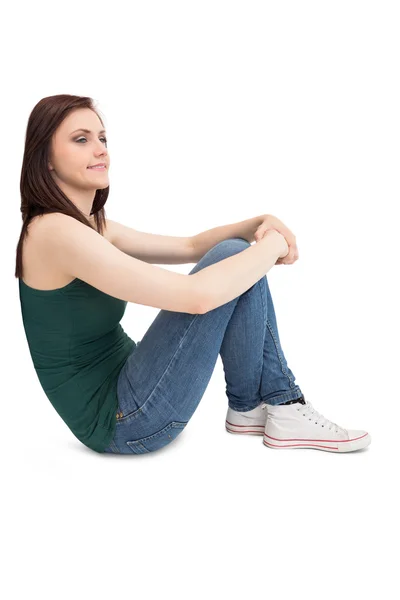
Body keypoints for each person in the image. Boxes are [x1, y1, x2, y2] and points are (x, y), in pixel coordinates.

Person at [16, 94, 371, 455]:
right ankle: (279, 402)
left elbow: (189, 246)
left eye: (102, 138)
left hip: (133, 382)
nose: (100, 150)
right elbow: (196, 297)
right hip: (124, 420)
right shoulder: (54, 233)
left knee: (234, 254)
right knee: (234, 260)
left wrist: (258, 225)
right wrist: (272, 246)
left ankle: (252, 407)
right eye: (81, 139)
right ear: (45, 158)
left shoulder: (88, 226)